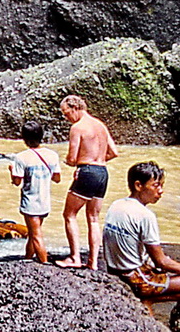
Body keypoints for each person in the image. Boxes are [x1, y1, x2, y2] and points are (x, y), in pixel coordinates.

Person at [103, 161, 180, 309]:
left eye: (161, 186)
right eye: (155, 185)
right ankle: (149, 299)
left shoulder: (116, 205)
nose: (161, 191)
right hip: (136, 279)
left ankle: (148, 298)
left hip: (114, 272)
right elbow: (161, 262)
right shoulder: (146, 216)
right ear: (138, 185)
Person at [56, 94, 118, 270]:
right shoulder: (100, 125)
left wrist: (72, 163)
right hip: (103, 172)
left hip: (88, 172)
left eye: (66, 113)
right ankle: (93, 262)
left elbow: (72, 158)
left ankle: (75, 257)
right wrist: (96, 162)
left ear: (75, 108)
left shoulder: (77, 128)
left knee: (69, 214)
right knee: (93, 218)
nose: (66, 117)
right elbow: (114, 152)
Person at [9, 121, 62, 263]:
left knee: (36, 234)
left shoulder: (21, 157)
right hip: (45, 201)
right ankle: (28, 258)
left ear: (24, 138)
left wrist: (11, 172)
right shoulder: (52, 155)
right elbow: (57, 178)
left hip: (30, 202)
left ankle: (44, 264)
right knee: (34, 233)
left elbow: (17, 182)